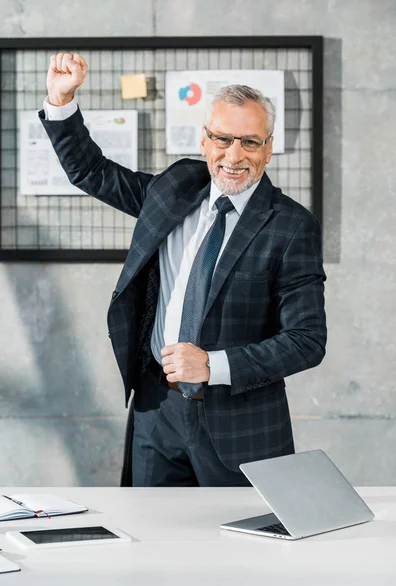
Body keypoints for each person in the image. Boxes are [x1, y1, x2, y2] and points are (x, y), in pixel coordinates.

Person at [39, 53, 327, 487]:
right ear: (204, 142)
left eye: (250, 142)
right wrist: (62, 101)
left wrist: (213, 364)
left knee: (244, 550)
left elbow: (307, 340)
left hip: (241, 426)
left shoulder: (291, 225)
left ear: (269, 148)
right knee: (152, 546)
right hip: (157, 411)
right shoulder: (174, 189)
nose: (234, 155)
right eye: (223, 139)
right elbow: (92, 173)